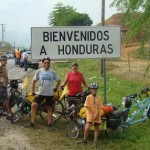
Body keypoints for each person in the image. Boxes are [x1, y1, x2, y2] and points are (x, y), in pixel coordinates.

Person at [25, 57, 61, 131]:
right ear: (43, 63)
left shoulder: (52, 72)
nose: (47, 64)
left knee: (49, 108)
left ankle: (50, 125)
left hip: (49, 94)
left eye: (48, 62)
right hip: (40, 93)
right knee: (33, 105)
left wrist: (56, 89)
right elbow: (34, 81)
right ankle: (32, 123)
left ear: (49, 63)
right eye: (45, 62)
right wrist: (32, 90)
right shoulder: (39, 71)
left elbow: (59, 80)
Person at [77, 83, 103, 148]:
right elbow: (87, 106)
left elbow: (100, 107)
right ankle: (84, 140)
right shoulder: (88, 97)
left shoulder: (99, 98)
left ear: (96, 90)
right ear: (91, 90)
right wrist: (93, 114)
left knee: (96, 128)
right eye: (92, 89)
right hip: (90, 114)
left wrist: (96, 114)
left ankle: (95, 141)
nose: (94, 90)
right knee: (87, 127)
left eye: (95, 89)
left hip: (97, 114)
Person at [0, 55, 12, 119]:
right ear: (2, 61)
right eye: (5, 60)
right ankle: (9, 114)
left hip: (4, 85)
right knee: (6, 100)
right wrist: (1, 81)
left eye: (6, 60)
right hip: (2, 86)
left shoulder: (4, 66)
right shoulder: (0, 65)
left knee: (3, 100)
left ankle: (2, 111)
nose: (6, 62)